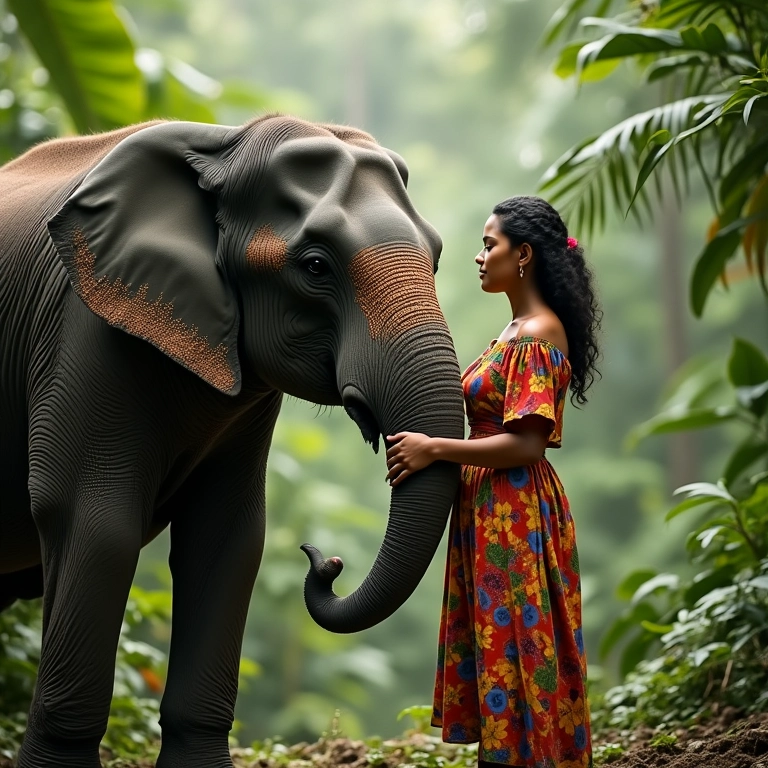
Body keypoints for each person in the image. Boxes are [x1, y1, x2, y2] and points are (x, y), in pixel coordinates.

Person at [385, 195, 601, 768]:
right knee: (497, 642)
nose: (480, 257)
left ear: (522, 255)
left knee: (519, 644)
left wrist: (434, 449)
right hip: (491, 508)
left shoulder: (537, 333)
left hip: (517, 511)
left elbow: (527, 444)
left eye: (490, 245)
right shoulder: (514, 328)